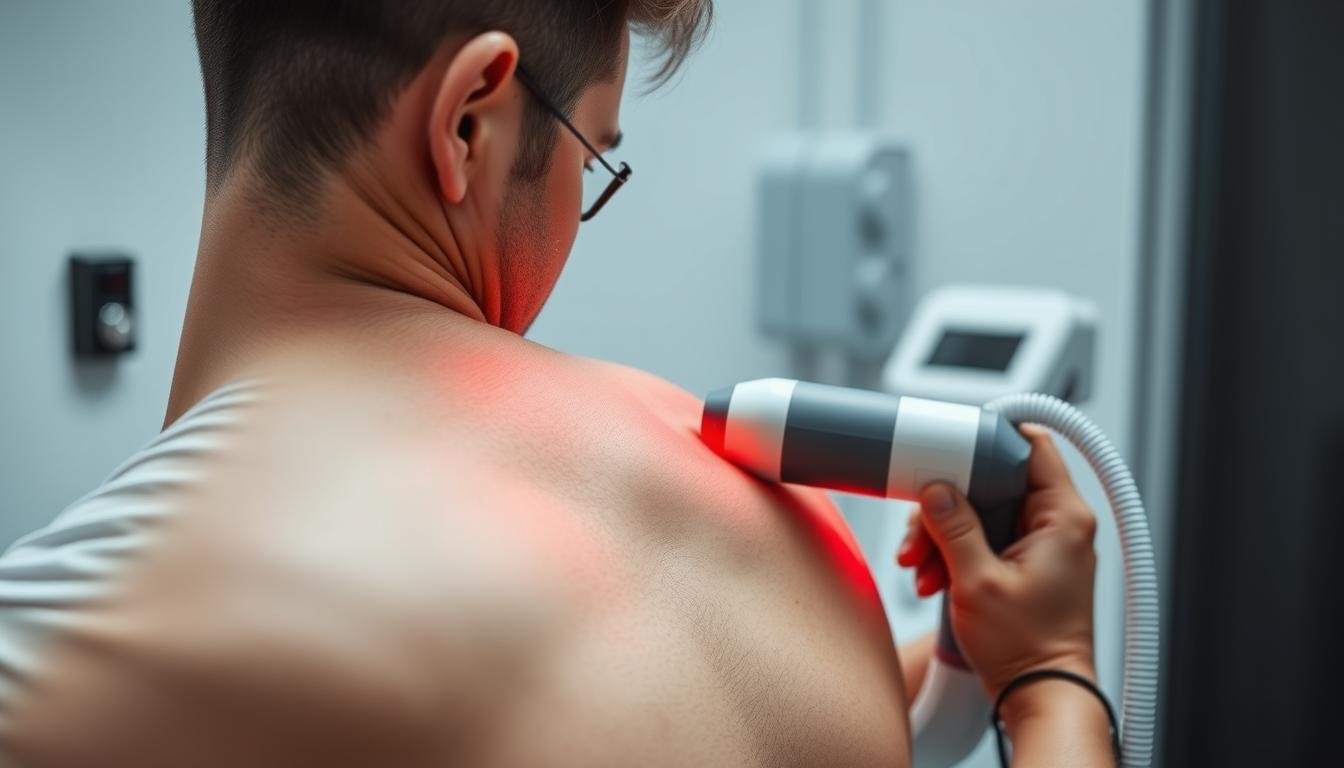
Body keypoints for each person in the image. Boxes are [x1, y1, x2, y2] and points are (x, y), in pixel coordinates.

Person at [0, 2, 1113, 765]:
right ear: (469, 119)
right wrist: (1049, 674)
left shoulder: (81, 630)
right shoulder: (787, 538)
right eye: (593, 157)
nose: (581, 205)